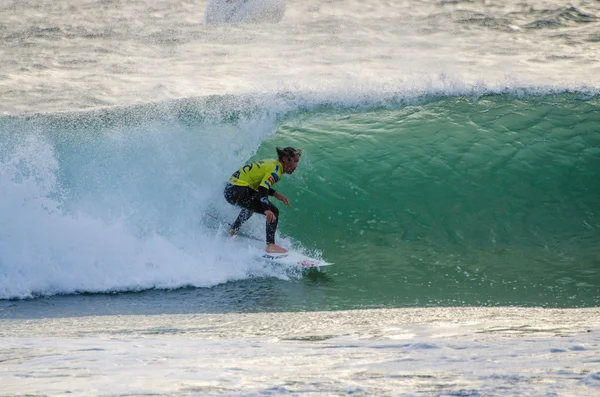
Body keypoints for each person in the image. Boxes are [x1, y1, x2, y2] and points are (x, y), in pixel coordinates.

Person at [223, 147, 302, 253]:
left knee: (250, 206)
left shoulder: (271, 162)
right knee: (273, 211)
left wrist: (276, 195)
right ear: (284, 159)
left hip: (230, 190)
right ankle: (271, 245)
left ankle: (233, 230)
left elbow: (259, 183)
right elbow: (262, 188)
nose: (296, 166)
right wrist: (266, 209)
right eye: (294, 161)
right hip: (239, 190)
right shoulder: (276, 171)